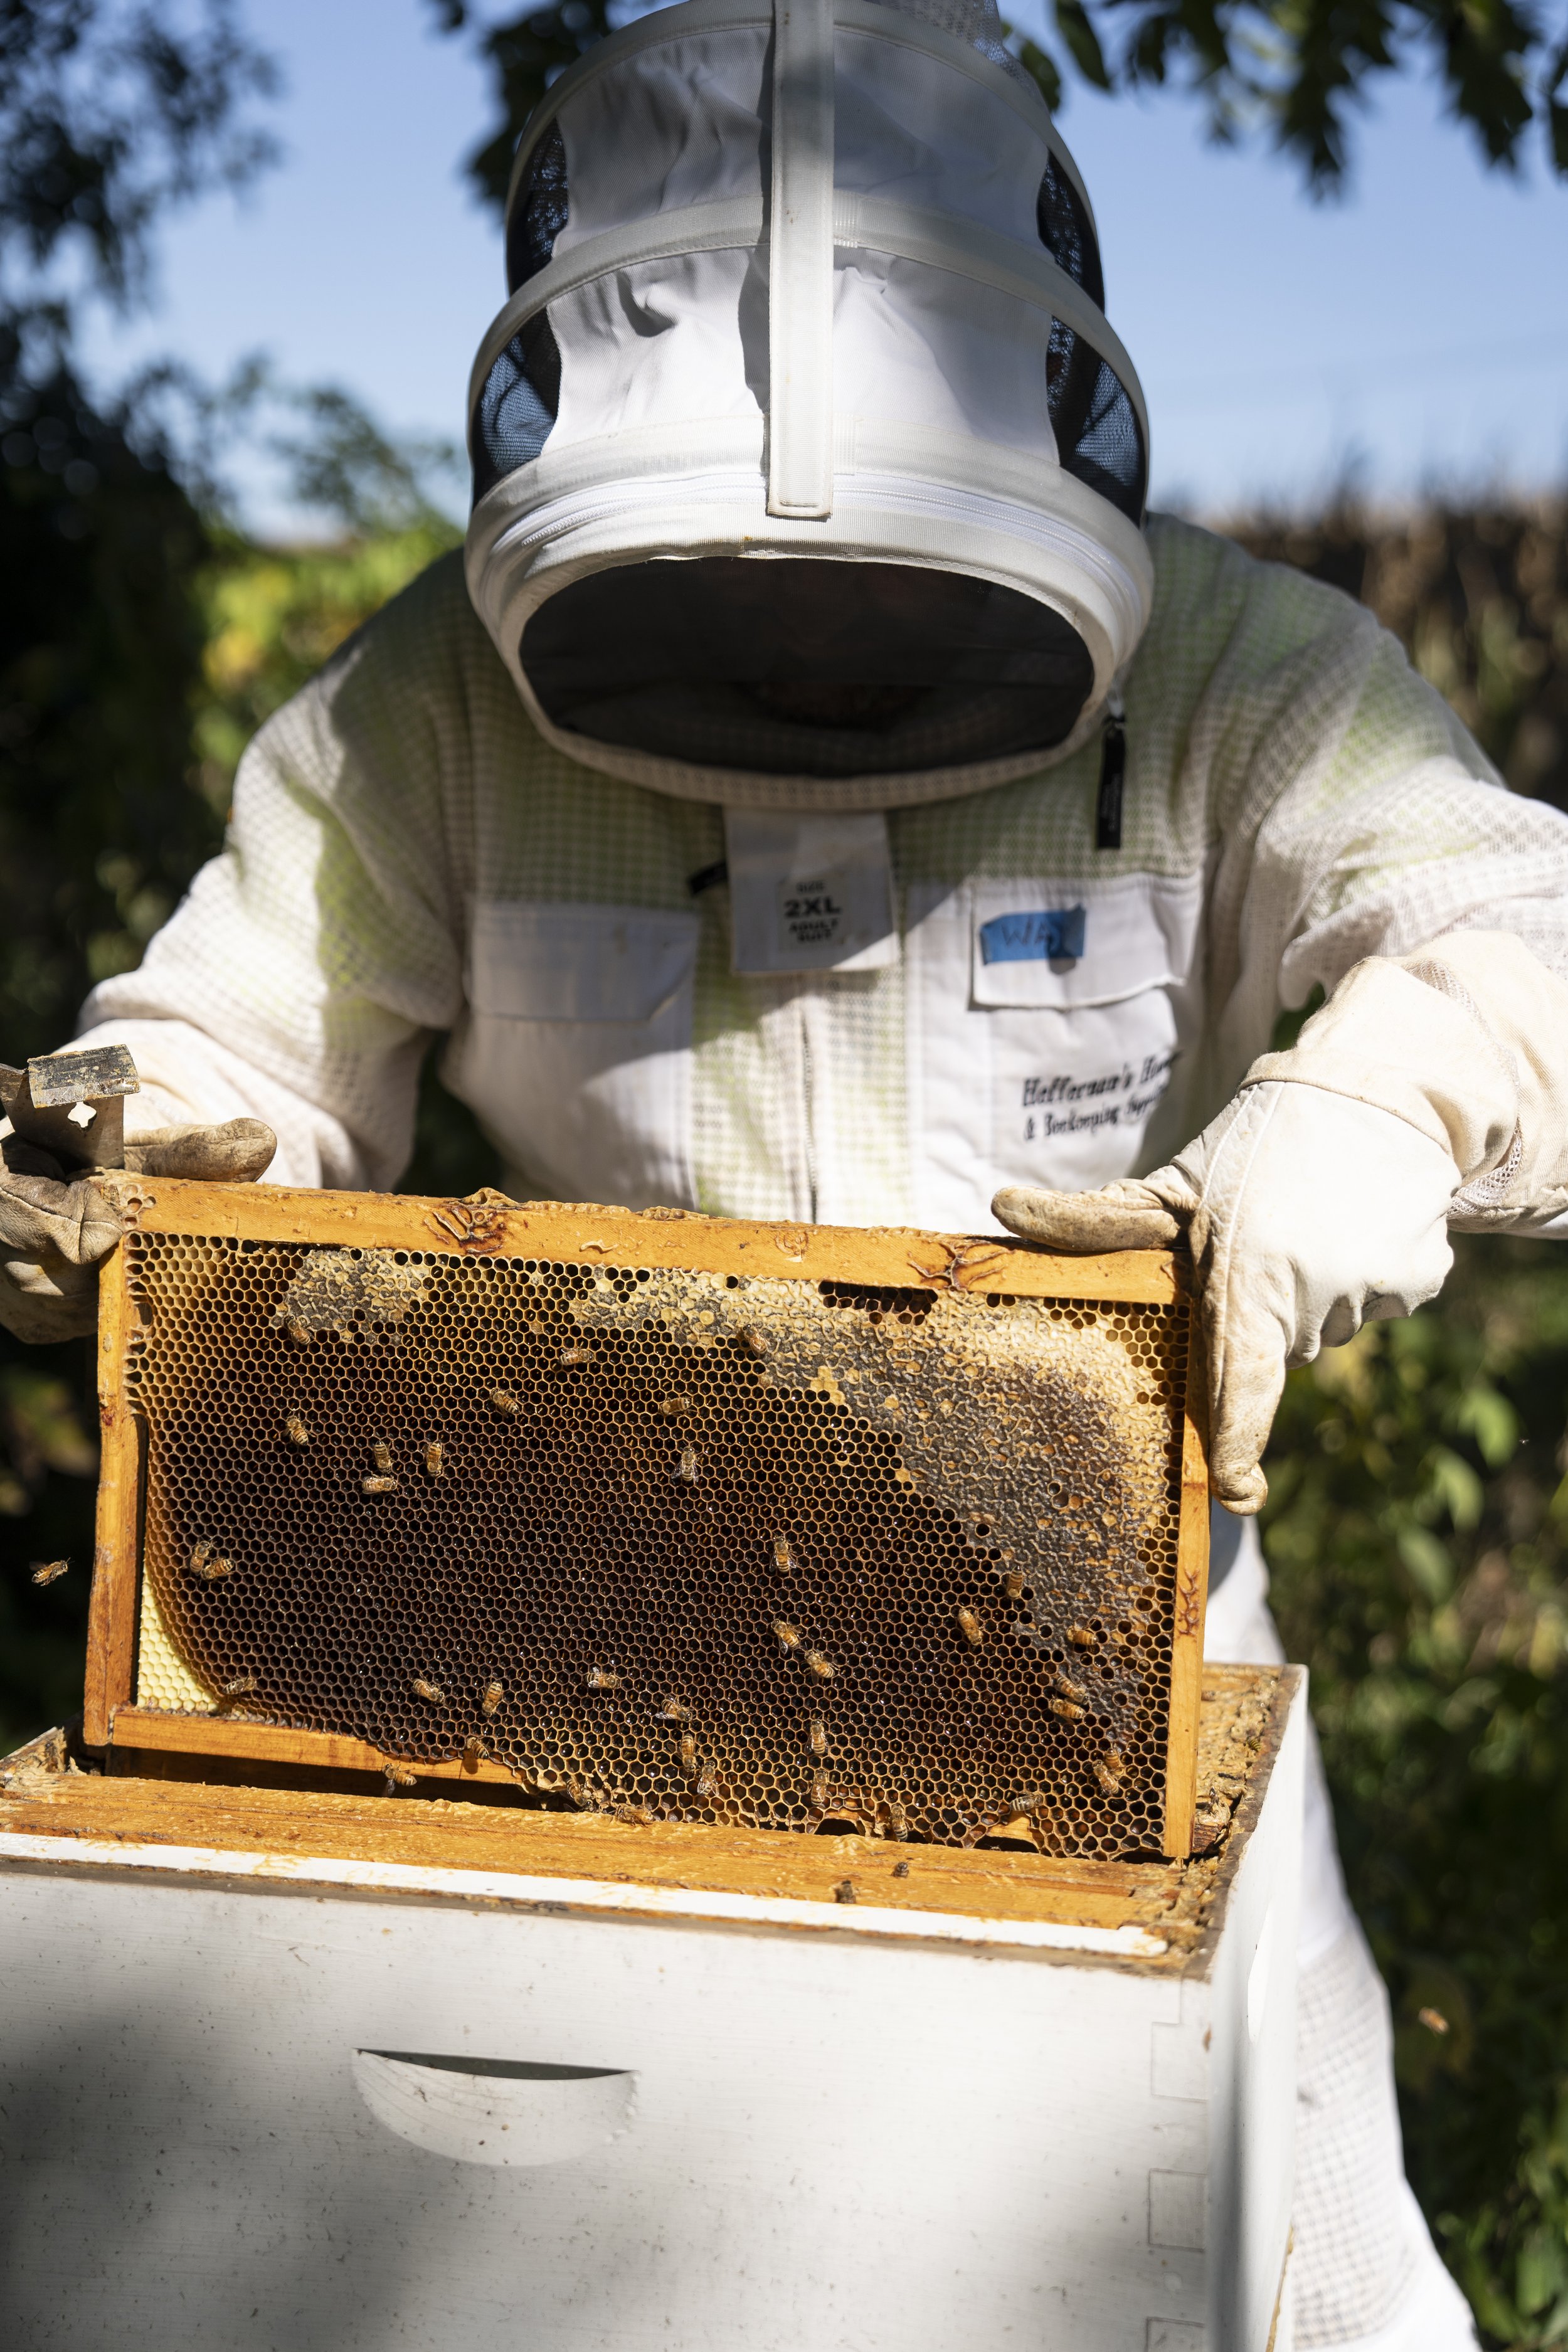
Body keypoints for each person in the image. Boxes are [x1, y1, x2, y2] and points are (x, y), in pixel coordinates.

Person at [4, 0, 1563, 2337]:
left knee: (1323, 2291)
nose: (812, 687)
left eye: (867, 610)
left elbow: (1521, 931)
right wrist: (152, 1131)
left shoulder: (1251, 675)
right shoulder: (434, 695)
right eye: (730, 614)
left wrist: (1369, 1106)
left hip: (1111, 1675)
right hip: (537, 1678)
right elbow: (237, 1034)